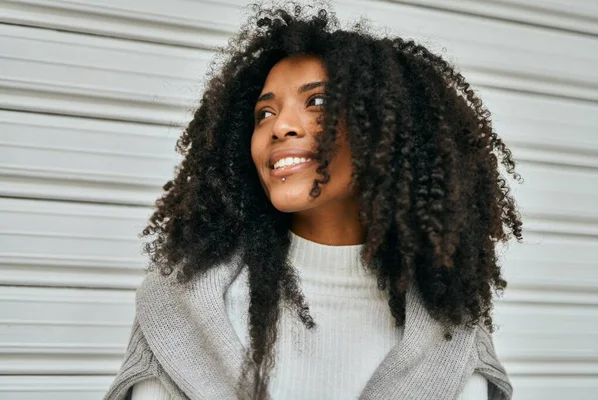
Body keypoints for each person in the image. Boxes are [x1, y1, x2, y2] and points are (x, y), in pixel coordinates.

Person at [105, 3, 522, 400]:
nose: (281, 126)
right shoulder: (177, 308)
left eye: (317, 102)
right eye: (264, 113)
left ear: (385, 131)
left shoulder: (454, 333)